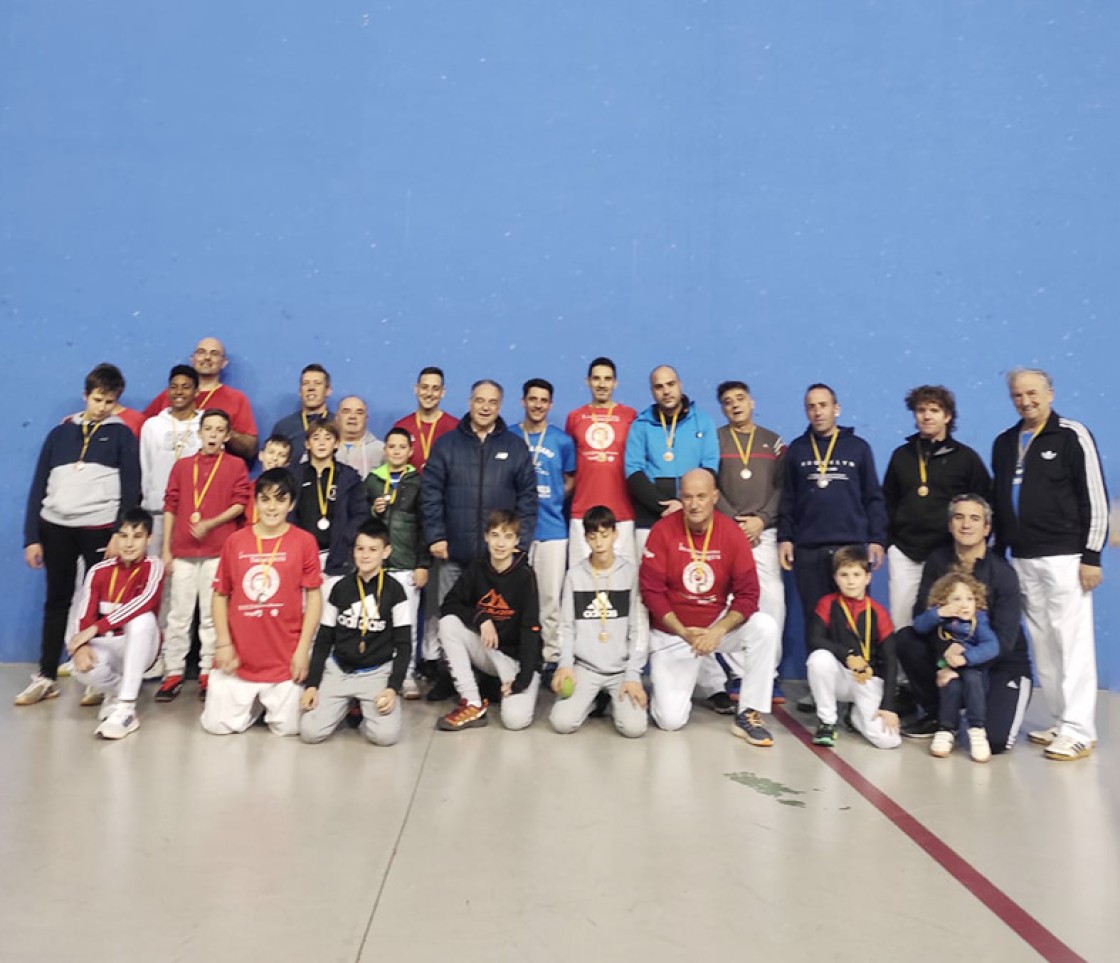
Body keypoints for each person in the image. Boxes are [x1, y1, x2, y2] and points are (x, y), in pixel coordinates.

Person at [991, 368, 1108, 761]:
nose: (1026, 401)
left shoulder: (1073, 434)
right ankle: (1061, 720)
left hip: (1066, 557)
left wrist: (1091, 556)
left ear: (1050, 394)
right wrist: (999, 555)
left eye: (1033, 393)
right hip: (1022, 558)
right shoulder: (1005, 442)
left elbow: (1094, 495)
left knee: (1071, 644)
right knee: (1043, 643)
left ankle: (1080, 730)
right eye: (1018, 396)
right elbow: (1002, 500)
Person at [18, 363, 141, 706]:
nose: (102, 407)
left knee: (100, 604)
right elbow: (38, 484)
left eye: (110, 401)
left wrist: (120, 532)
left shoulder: (122, 435)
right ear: (85, 395)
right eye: (98, 399)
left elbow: (132, 489)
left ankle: (95, 676)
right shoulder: (59, 434)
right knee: (57, 600)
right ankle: (45, 675)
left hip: (99, 529)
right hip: (55, 528)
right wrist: (32, 536)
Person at [640, 469, 779, 743]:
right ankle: (693, 673)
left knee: (765, 627)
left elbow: (748, 594)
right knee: (670, 721)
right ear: (680, 497)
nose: (694, 504)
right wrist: (684, 632)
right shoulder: (662, 532)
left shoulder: (732, 534)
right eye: (688, 497)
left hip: (716, 631)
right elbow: (651, 593)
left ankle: (748, 713)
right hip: (674, 634)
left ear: (714, 497)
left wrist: (717, 631)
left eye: (702, 496)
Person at [895, 494, 1033, 754]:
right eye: (959, 517)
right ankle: (944, 717)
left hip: (1000, 661)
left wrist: (964, 661)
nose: (966, 525)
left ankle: (974, 703)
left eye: (974, 518)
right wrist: (945, 651)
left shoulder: (1002, 573)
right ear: (949, 525)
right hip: (953, 654)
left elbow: (1004, 641)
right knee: (906, 639)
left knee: (994, 742)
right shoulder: (938, 561)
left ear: (986, 528)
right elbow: (921, 614)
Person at [778, 384, 886, 706]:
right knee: (817, 621)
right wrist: (785, 537)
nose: (818, 411)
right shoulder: (797, 450)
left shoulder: (858, 448)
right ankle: (820, 687)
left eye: (823, 405)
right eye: (811, 406)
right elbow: (788, 499)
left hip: (849, 548)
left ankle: (860, 686)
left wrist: (877, 539)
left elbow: (873, 497)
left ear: (836, 409)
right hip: (809, 548)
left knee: (853, 620)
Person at [201, 469, 323, 736]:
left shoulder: (304, 541)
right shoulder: (235, 541)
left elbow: (314, 597)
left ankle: (262, 705)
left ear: (291, 504)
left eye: (280, 500)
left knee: (290, 729)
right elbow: (220, 594)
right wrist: (223, 643)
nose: (272, 507)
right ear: (255, 502)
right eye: (265, 499)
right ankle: (252, 705)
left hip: (284, 659)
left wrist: (303, 650)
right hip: (239, 659)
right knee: (216, 726)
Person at [420, 378, 537, 617]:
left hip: (498, 558)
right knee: (450, 618)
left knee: (496, 622)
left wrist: (520, 543)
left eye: (492, 402)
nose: (485, 407)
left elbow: (528, 499)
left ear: (500, 406)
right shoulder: (446, 445)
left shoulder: (515, 448)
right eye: (480, 400)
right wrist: (435, 536)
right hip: (453, 553)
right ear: (469, 402)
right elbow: (430, 494)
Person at [158, 409, 251, 702]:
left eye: (219, 430)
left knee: (212, 616)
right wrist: (166, 549)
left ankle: (207, 672)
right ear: (200, 432)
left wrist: (211, 523)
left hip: (217, 550)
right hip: (184, 550)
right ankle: (173, 672)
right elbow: (170, 505)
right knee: (179, 615)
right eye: (208, 428)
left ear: (226, 435)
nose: (212, 434)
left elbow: (240, 504)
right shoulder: (183, 467)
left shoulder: (236, 466)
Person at [882, 385, 990, 629]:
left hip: (947, 553)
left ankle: (945, 668)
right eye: (921, 410)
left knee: (949, 619)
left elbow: (985, 503)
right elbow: (887, 501)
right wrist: (888, 543)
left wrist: (976, 547)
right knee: (902, 620)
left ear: (947, 416)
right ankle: (902, 669)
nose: (927, 416)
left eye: (934, 410)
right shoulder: (901, 456)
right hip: (906, 552)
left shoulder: (966, 458)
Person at [299, 519, 410, 746]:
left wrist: (392, 688)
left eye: (373, 549)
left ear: (386, 552)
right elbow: (323, 639)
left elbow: (404, 645)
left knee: (385, 737)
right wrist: (312, 684)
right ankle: (348, 705)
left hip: (376, 673)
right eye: (360, 549)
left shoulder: (395, 591)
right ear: (353, 552)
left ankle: (361, 707)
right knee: (310, 732)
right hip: (339, 671)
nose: (365, 555)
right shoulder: (339, 588)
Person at [714, 380, 787, 703]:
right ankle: (739, 673)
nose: (735, 405)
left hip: (765, 532)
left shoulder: (773, 442)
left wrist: (762, 520)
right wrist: (733, 522)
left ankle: (767, 674)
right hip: (727, 532)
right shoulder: (715, 441)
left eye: (740, 399)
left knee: (772, 601)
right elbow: (709, 485)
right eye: (728, 402)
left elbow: (785, 489)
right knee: (731, 601)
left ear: (752, 402)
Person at [437, 510, 542, 731]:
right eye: (495, 535)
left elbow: (531, 630)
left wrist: (521, 681)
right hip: (489, 651)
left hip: (517, 661)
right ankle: (472, 702)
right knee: (448, 623)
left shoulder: (525, 576)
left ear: (516, 541)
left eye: (507, 536)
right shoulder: (477, 568)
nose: (500, 543)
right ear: (486, 537)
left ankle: (516, 689)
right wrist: (481, 618)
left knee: (515, 721)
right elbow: (449, 604)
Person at [549, 506, 648, 738]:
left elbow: (639, 629)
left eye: (605, 535)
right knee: (561, 723)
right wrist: (565, 664)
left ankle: (614, 703)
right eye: (593, 537)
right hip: (585, 667)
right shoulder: (575, 575)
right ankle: (593, 701)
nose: (599, 543)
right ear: (586, 539)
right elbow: (566, 626)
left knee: (634, 729)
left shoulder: (631, 573)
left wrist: (633, 675)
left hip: (621, 669)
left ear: (615, 534)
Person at [67, 509, 164, 739]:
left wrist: (95, 629)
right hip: (108, 645)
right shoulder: (98, 571)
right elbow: (84, 614)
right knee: (77, 666)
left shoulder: (154, 565)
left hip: (142, 645)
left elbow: (144, 602)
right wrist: (81, 646)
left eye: (137, 536)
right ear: (115, 538)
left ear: (149, 539)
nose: (129, 544)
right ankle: (118, 693)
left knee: (142, 619)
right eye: (123, 536)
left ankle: (127, 709)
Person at [806, 546, 900, 750]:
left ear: (868, 578)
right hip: (840, 675)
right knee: (818, 659)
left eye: (857, 574)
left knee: (888, 740)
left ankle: (856, 717)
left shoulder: (878, 612)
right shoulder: (827, 604)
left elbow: (891, 660)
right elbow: (815, 639)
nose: (850, 581)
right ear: (835, 578)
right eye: (844, 575)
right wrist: (847, 654)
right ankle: (827, 721)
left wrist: (888, 706)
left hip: (868, 679)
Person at [624, 365, 719, 550]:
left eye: (670, 384)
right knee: (649, 577)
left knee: (694, 575)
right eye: (659, 387)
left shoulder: (703, 421)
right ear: (652, 391)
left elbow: (710, 467)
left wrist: (686, 505)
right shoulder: (640, 424)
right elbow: (633, 472)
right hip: (651, 517)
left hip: (694, 515)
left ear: (680, 385)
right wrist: (664, 507)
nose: (666, 391)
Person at [369, 427, 431, 699]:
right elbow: (361, 522)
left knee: (406, 625)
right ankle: (377, 673)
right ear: (385, 450)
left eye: (401, 447)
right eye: (391, 446)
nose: (395, 451)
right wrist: (374, 510)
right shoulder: (372, 481)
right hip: (377, 567)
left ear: (410, 451)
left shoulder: (417, 482)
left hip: (406, 566)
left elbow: (425, 525)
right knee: (376, 622)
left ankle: (406, 675)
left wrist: (422, 564)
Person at [519, 378, 576, 669]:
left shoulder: (562, 440)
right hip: (517, 531)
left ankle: (552, 657)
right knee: (517, 598)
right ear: (523, 402)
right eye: (533, 399)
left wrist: (552, 495)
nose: (538, 404)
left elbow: (570, 478)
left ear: (550, 405)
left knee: (550, 599)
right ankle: (518, 654)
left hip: (553, 530)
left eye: (544, 400)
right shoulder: (510, 437)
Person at [914, 572, 1000, 762]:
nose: (964, 604)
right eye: (957, 599)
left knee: (972, 679)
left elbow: (992, 646)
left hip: (971, 667)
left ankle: (977, 728)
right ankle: (946, 729)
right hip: (947, 669)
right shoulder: (941, 620)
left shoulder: (979, 622)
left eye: (970, 599)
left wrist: (967, 658)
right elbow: (919, 626)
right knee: (950, 687)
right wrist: (938, 613)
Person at [564, 357, 638, 565]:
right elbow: (569, 466)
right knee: (581, 579)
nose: (602, 384)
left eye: (607, 379)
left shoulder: (630, 416)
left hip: (621, 512)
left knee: (624, 580)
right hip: (582, 511)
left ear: (616, 383)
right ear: (587, 381)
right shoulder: (575, 417)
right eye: (596, 379)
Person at [142, 338, 258, 459]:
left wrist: (221, 429)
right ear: (192, 359)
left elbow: (250, 449)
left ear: (224, 362)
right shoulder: (173, 395)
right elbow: (144, 430)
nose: (207, 357)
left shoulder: (236, 399)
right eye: (201, 352)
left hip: (214, 473)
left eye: (214, 353)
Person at [290, 422, 369, 588]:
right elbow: (287, 514)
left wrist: (345, 538)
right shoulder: (294, 475)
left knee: (332, 611)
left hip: (337, 557)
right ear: (307, 444)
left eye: (328, 438)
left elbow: (361, 514)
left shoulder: (349, 476)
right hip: (300, 556)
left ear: (336, 443)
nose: (321, 443)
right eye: (315, 438)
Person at [139, 365, 202, 557]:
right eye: (174, 387)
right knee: (156, 574)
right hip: (157, 512)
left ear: (197, 392)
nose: (179, 392)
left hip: (194, 515)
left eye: (185, 387)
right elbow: (145, 466)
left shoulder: (208, 424)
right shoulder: (152, 426)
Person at [392, 366, 458, 472]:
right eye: (424, 387)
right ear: (416, 389)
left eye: (435, 389)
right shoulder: (401, 426)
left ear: (443, 392)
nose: (429, 393)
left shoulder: (455, 427)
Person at [270, 363, 333, 465]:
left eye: (317, 383)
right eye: (306, 383)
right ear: (300, 391)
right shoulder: (284, 427)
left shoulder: (338, 425)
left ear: (328, 391)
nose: (311, 388)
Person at [335, 395, 384, 480]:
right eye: (346, 411)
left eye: (359, 412)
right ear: (337, 417)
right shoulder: (322, 448)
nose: (352, 417)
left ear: (366, 418)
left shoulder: (381, 450)